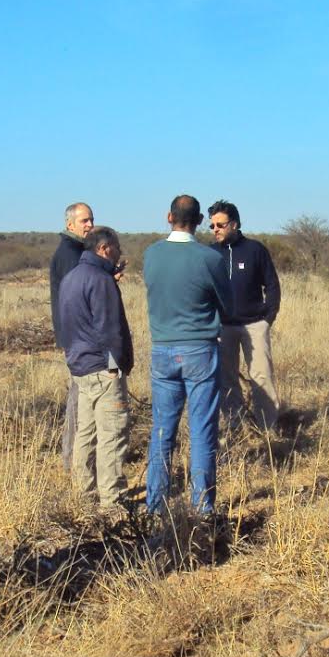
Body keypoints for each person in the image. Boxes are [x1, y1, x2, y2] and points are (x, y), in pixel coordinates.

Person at [142, 195, 232, 515]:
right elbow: (227, 302)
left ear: (169, 217)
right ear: (198, 222)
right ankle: (202, 508)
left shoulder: (151, 254)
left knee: (162, 431)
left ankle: (155, 505)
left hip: (163, 350)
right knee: (202, 431)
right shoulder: (209, 258)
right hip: (200, 349)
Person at [58, 227, 134, 509]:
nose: (119, 254)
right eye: (117, 249)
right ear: (104, 249)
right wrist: (117, 368)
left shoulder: (71, 278)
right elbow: (108, 330)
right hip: (103, 368)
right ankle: (111, 502)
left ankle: (84, 495)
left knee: (85, 435)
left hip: (80, 368)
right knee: (112, 435)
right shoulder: (100, 280)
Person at [208, 199, 282, 430]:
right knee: (227, 379)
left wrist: (267, 319)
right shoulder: (210, 254)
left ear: (235, 224)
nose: (215, 230)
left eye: (220, 225)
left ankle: (267, 427)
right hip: (223, 327)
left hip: (254, 325)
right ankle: (235, 425)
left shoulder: (255, 250)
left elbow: (272, 285)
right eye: (212, 226)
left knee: (261, 376)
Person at [50, 202, 95, 469]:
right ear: (70, 225)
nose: (90, 225)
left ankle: (77, 457)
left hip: (78, 337)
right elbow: (76, 297)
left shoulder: (78, 250)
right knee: (80, 400)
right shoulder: (69, 253)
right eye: (84, 221)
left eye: (91, 220)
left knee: (82, 397)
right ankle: (73, 460)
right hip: (78, 338)